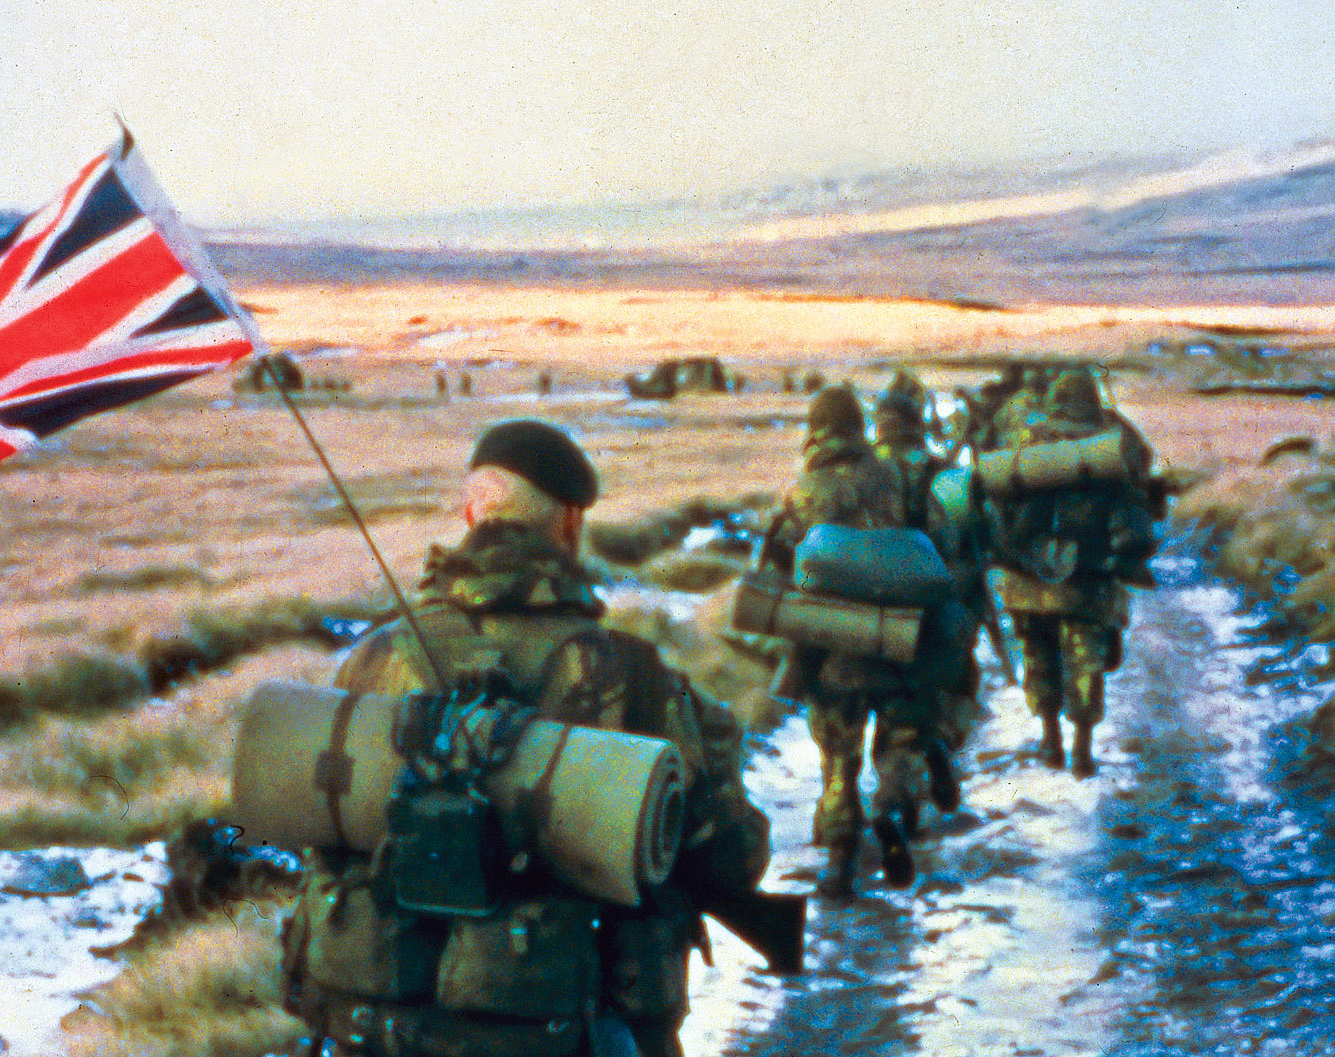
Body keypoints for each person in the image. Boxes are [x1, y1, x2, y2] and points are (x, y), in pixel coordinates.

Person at [279, 419, 772, 1057]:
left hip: (381, 1031)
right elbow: (732, 858)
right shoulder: (634, 677)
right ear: (571, 523)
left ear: (469, 515)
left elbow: (324, 836)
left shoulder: (372, 661)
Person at [755, 385, 918, 899]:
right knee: (898, 736)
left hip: (831, 642)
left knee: (838, 758)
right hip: (894, 632)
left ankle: (839, 859)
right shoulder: (890, 476)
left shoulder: (803, 490)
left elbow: (774, 565)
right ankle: (889, 806)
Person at [984, 368, 1158, 778]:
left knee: (1039, 656)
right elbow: (1141, 475)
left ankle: (1050, 741)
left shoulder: (1027, 440)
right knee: (1086, 660)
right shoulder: (1108, 447)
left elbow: (998, 502)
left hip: (1028, 580)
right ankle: (1082, 748)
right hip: (1088, 577)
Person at [871, 370, 984, 812]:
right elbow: (961, 542)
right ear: (917, 423)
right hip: (930, 613)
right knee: (959, 682)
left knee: (888, 703)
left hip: (867, 609)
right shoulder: (943, 475)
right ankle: (936, 747)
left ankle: (891, 792)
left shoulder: (860, 474)